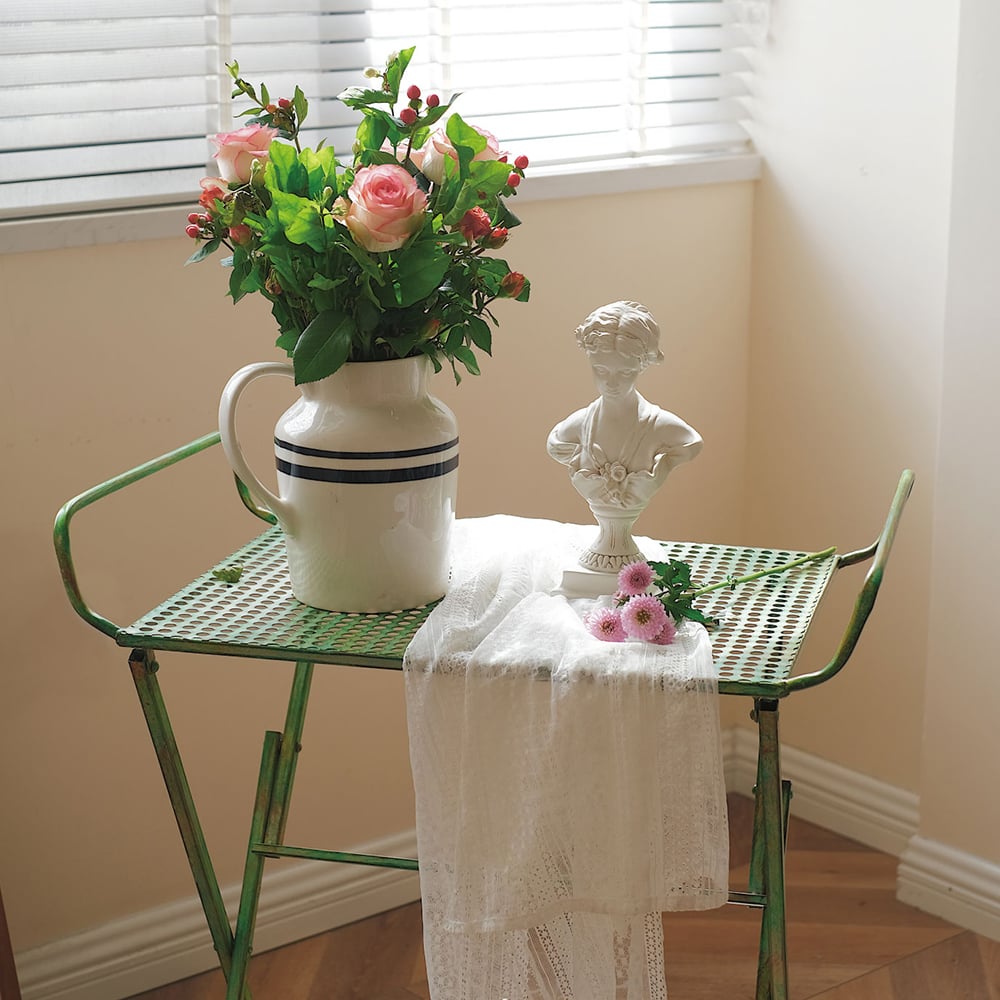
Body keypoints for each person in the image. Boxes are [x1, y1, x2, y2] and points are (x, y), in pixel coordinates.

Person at [547, 301, 702, 573]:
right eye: (601, 370)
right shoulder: (579, 426)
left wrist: (665, 462)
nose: (611, 382)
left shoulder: (660, 426)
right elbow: (555, 444)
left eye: (625, 372)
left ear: (642, 367)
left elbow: (691, 444)